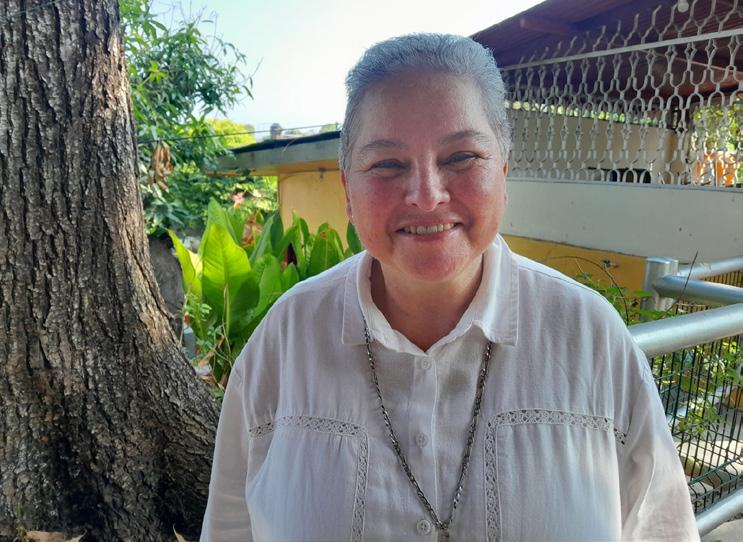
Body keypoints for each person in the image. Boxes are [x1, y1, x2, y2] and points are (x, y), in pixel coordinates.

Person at [200, 34, 699, 541]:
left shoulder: (591, 340)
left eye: (461, 157)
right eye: (387, 164)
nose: (427, 195)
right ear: (349, 192)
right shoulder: (283, 343)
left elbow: (663, 530)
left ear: (503, 174)